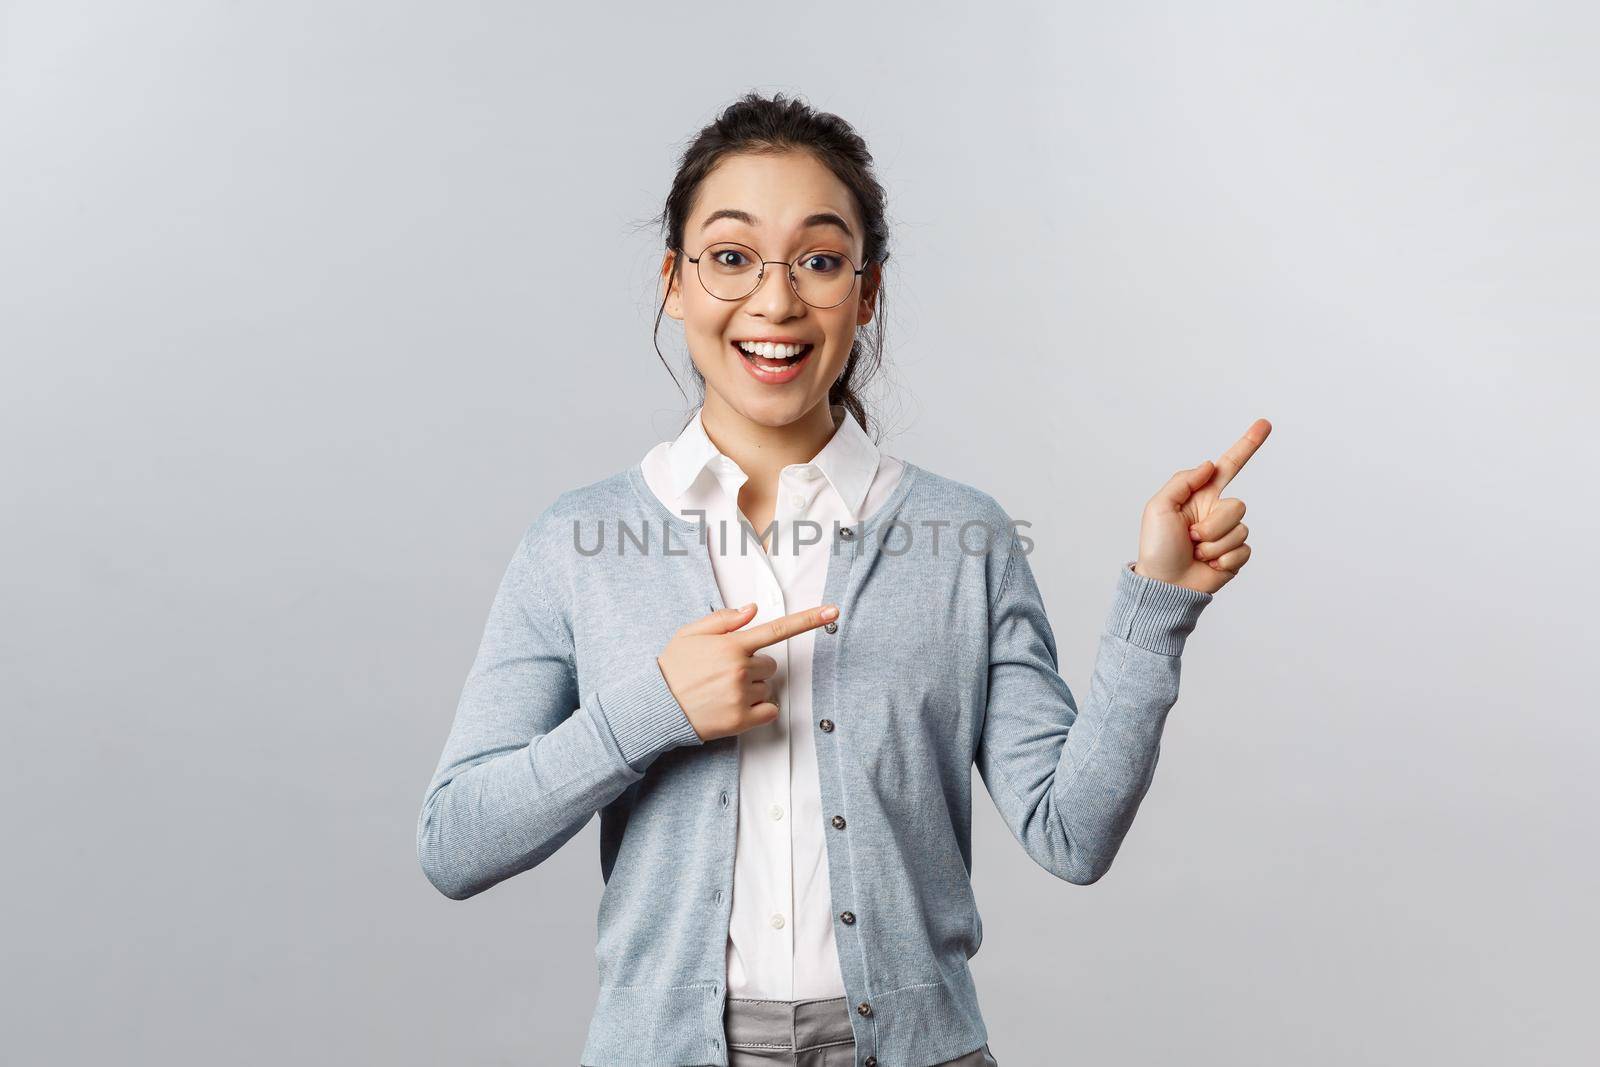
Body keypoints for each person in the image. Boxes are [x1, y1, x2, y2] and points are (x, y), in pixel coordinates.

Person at [416, 91, 1269, 1067]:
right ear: (674, 281)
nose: (775, 302)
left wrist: (1158, 604)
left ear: (864, 291)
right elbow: (454, 842)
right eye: (731, 257)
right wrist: (650, 707)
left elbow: (1070, 832)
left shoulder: (964, 535)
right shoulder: (575, 542)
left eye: (819, 260)